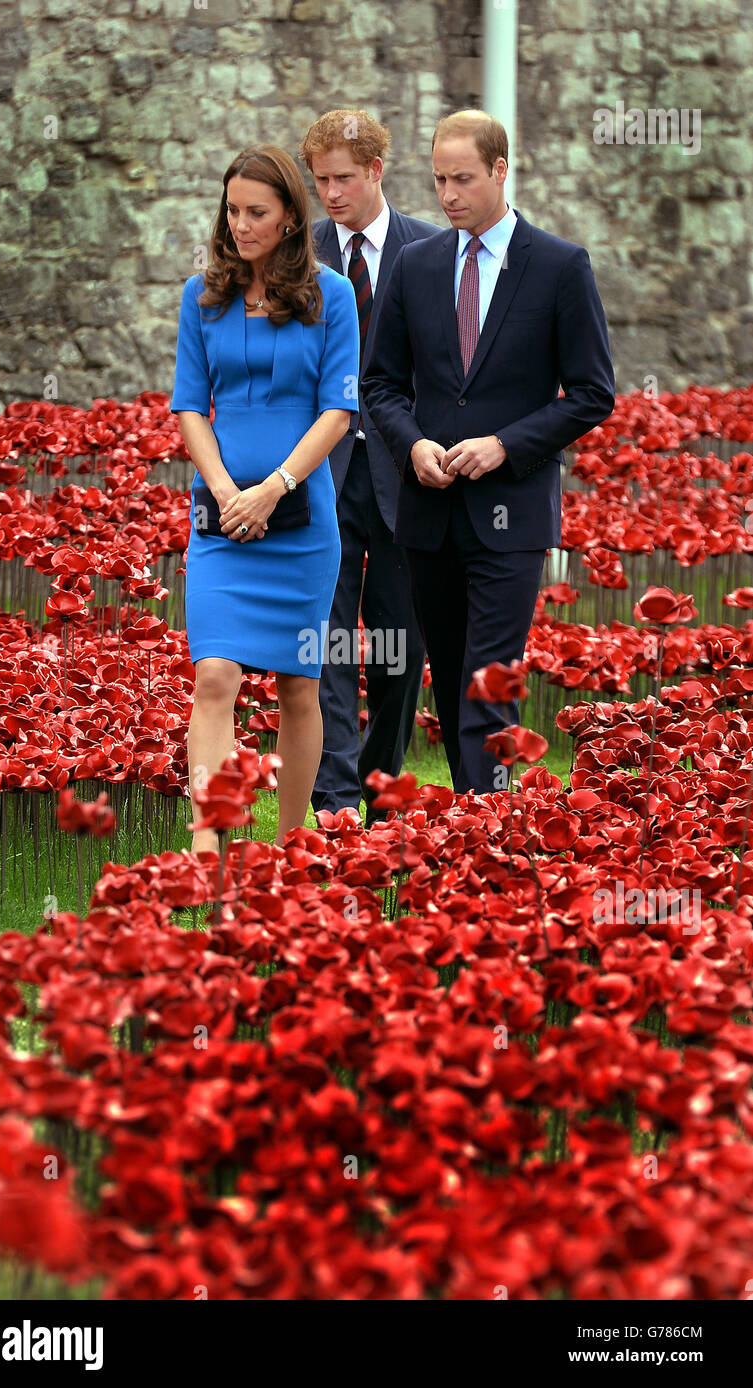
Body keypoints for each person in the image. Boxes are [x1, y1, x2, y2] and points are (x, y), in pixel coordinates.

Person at [361, 109, 615, 795]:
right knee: (450, 683)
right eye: (439, 178)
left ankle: (485, 832)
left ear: (500, 171)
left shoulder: (560, 267)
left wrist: (504, 444)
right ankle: (482, 831)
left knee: (487, 682)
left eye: (463, 179)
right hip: (428, 511)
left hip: (512, 515)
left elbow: (592, 392)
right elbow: (378, 383)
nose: (447, 194)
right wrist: (411, 445)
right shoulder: (412, 266)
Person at [170, 144, 360, 851]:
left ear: (287, 219)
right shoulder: (202, 297)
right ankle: (205, 849)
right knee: (215, 673)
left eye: (256, 212)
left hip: (302, 522)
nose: (240, 223)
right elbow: (191, 406)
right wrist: (226, 492)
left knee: (297, 687)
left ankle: (286, 848)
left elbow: (338, 411)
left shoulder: (330, 296)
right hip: (219, 518)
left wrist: (273, 489)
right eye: (232, 210)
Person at [299, 110, 439, 826]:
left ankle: (383, 789)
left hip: (402, 474)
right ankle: (332, 795)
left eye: (343, 178)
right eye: (319, 179)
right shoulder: (298, 255)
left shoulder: (432, 249)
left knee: (398, 645)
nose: (329, 192)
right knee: (324, 640)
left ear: (376, 171)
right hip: (318, 474)